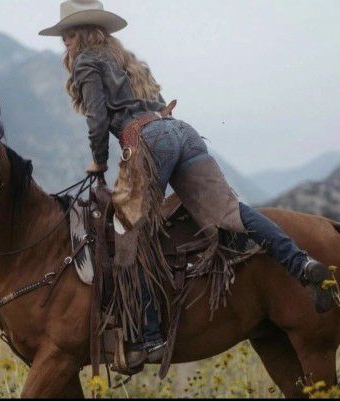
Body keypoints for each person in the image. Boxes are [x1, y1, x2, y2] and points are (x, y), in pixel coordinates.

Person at [39, 0, 333, 364]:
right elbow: (160, 107)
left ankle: (148, 338)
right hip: (181, 133)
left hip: (145, 142)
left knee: (127, 233)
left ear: (81, 34)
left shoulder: (86, 61)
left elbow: (98, 120)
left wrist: (98, 162)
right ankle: (301, 264)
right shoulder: (128, 60)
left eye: (68, 33)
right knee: (231, 213)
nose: (65, 41)